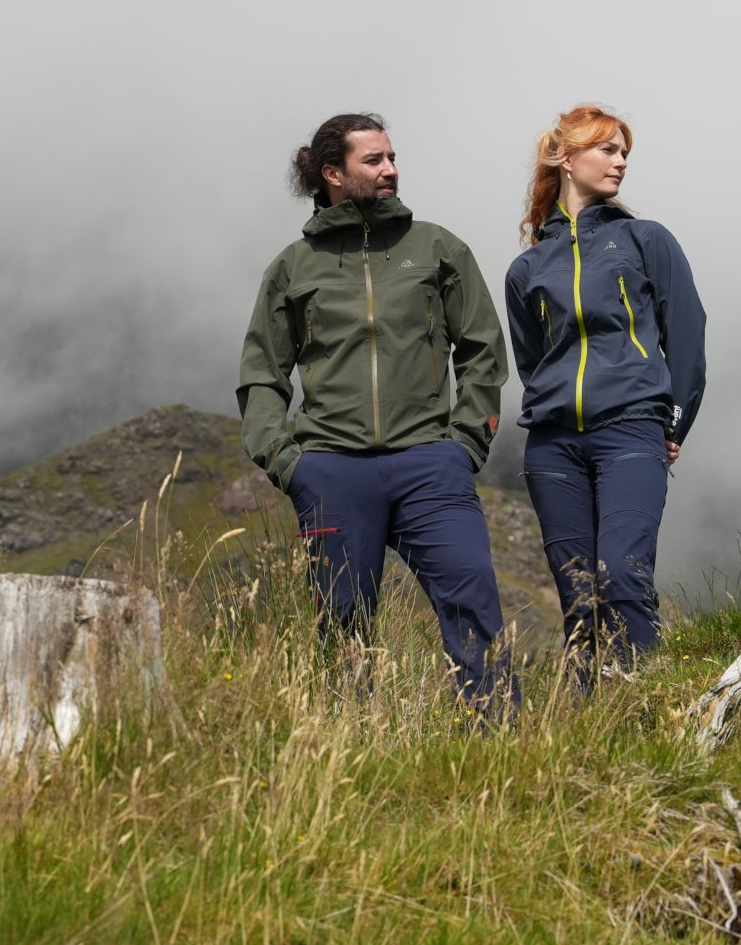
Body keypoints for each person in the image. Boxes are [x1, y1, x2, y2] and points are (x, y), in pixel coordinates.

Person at [237, 113, 516, 713]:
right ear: (332, 173)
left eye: (392, 158)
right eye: (374, 161)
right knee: (342, 628)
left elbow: (483, 351)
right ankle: (351, 755)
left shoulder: (437, 248)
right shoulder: (293, 266)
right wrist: (288, 463)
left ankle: (501, 748)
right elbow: (262, 373)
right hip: (332, 470)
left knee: (472, 601)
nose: (390, 170)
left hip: (431, 464)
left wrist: (465, 444)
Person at [503, 105, 706, 689]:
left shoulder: (644, 240)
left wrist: (672, 426)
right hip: (553, 447)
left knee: (622, 572)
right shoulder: (527, 268)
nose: (619, 162)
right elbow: (532, 359)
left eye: (624, 153)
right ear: (566, 159)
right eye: (607, 150)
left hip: (632, 429)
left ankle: (648, 717)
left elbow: (687, 338)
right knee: (578, 595)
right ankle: (595, 732)